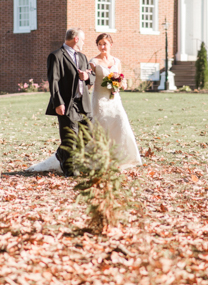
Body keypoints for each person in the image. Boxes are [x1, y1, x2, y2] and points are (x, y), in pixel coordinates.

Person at [38, 28, 93, 176]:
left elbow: (91, 77)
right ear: (76, 39)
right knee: (70, 137)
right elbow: (54, 82)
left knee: (89, 135)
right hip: (67, 103)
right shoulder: (56, 56)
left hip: (84, 103)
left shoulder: (82, 57)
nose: (83, 42)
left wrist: (86, 77)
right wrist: (58, 103)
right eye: (82, 39)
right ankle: (69, 170)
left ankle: (61, 153)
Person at [88, 33, 142, 169]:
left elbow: (122, 80)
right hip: (100, 99)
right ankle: (99, 159)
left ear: (110, 44)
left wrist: (120, 85)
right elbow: (90, 81)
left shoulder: (116, 61)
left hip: (114, 99)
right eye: (99, 44)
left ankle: (121, 157)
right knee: (101, 126)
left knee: (120, 122)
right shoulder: (93, 62)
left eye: (104, 43)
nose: (102, 47)